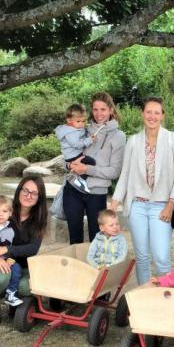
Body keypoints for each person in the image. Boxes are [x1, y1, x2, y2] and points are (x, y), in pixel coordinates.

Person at [110, 97, 174, 285]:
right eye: (148, 112)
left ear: (162, 116)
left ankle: (163, 297)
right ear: (142, 114)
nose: (152, 116)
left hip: (162, 206)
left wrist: (171, 204)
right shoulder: (133, 141)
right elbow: (125, 175)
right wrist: (114, 204)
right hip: (137, 205)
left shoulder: (173, 139)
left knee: (161, 258)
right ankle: (143, 296)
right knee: (142, 257)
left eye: (156, 112)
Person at [0, 176, 49, 324]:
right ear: (19, 190)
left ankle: (15, 300)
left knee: (26, 287)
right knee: (1, 277)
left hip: (22, 267)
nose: (28, 195)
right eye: (25, 190)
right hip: (0, 263)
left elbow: (32, 249)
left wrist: (5, 249)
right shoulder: (3, 209)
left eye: (34, 193)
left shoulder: (39, 218)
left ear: (39, 197)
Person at [63, 92, 126, 244]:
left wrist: (87, 169)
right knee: (75, 240)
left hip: (96, 193)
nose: (99, 114)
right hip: (73, 189)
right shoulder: (82, 130)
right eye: (95, 109)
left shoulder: (118, 136)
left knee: (97, 240)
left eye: (103, 109)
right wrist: (69, 165)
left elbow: (115, 171)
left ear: (111, 110)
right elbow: (66, 157)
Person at [56, 103, 97, 194]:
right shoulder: (70, 132)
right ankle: (79, 180)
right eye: (78, 121)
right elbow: (76, 144)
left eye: (83, 121)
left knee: (87, 164)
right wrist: (89, 140)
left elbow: (81, 131)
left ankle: (79, 179)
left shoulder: (72, 128)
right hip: (74, 156)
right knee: (91, 162)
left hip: (71, 156)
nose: (81, 124)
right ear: (69, 120)